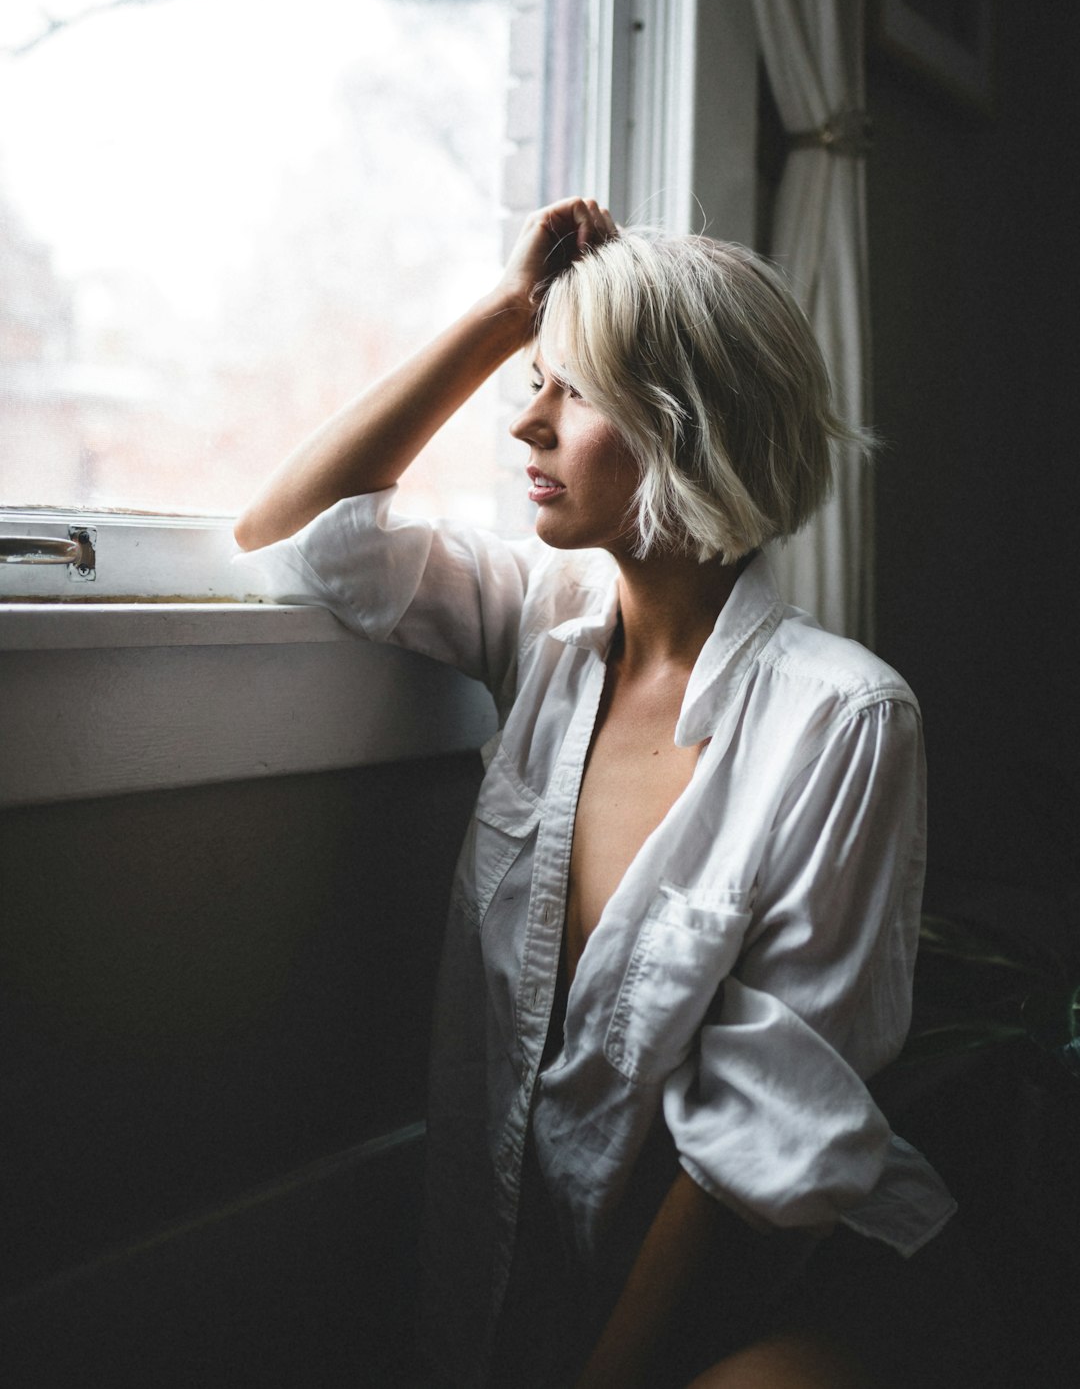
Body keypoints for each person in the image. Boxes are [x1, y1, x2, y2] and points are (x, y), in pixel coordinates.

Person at [233, 197, 957, 1389]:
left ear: (691, 423)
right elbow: (291, 540)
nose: (523, 425)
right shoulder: (541, 626)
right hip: (541, 1282)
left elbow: (754, 1157)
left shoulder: (845, 721)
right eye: (532, 382)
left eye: (569, 392)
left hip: (780, 1280)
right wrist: (498, 316)